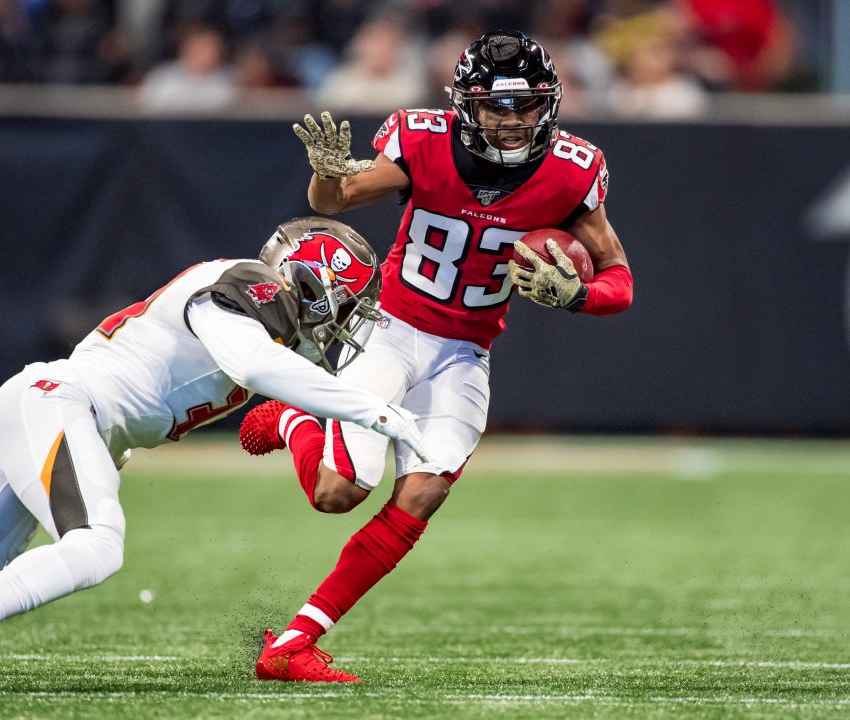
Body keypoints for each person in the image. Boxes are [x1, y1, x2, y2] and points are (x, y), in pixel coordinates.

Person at [0, 217, 431, 692]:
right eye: (345, 305)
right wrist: (375, 411)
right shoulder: (248, 284)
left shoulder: (262, 324)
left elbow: (279, 382)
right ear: (314, 283)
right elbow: (256, 367)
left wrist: (305, 424)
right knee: (96, 546)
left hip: (41, 408)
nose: (344, 324)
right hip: (61, 407)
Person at [239, 30, 634, 683]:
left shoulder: (572, 169)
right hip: (390, 329)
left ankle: (292, 645)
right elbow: (332, 202)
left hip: (465, 352)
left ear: (549, 104)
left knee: (421, 494)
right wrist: (325, 172)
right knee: (338, 492)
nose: (512, 123)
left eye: (526, 106)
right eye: (496, 108)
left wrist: (577, 296)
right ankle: (293, 419)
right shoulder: (423, 140)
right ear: (464, 106)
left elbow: (620, 278)